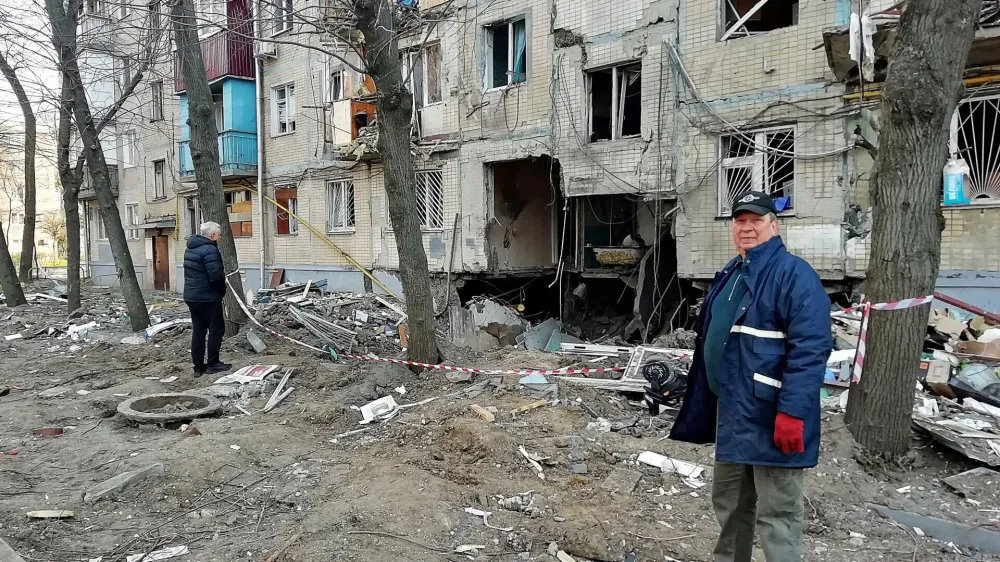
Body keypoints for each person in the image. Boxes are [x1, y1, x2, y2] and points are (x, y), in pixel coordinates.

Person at [668, 192, 831, 562]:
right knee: (729, 505)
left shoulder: (794, 276)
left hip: (771, 416)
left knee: (778, 514)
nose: (746, 228)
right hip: (732, 410)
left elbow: (811, 351)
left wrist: (792, 413)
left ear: (774, 226)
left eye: (755, 220)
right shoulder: (733, 272)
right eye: (740, 221)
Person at [183, 222, 233, 377]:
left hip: (192, 296)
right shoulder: (210, 250)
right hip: (207, 297)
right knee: (216, 329)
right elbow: (216, 275)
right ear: (212, 235)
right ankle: (213, 363)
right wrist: (221, 291)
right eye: (218, 234)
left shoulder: (190, 248)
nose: (220, 237)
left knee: (198, 330)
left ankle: (198, 367)